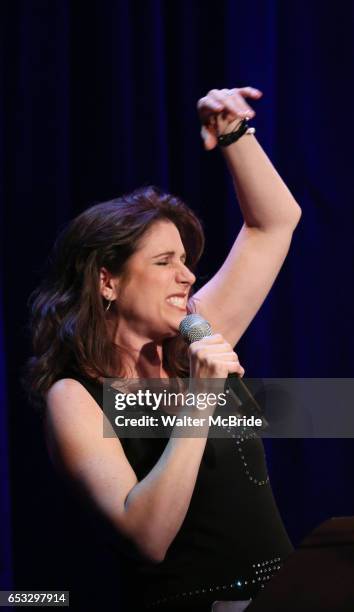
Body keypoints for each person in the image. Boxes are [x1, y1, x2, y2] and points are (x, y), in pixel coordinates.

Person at [26, 86, 301, 612]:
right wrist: (199, 400)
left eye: (186, 260)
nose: (188, 275)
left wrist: (234, 135)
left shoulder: (191, 335)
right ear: (107, 282)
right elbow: (147, 536)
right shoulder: (74, 396)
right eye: (164, 262)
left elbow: (273, 225)